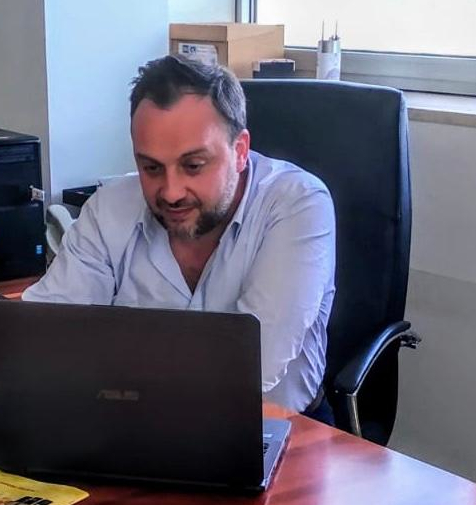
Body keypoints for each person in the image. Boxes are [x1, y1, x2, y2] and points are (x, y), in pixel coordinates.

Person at [23, 55, 336, 420]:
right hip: (133, 420)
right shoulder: (109, 207)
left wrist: (110, 357)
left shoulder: (297, 204)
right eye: (151, 167)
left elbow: (253, 362)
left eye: (193, 166)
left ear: (239, 151)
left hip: (272, 425)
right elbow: (43, 336)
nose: (171, 192)